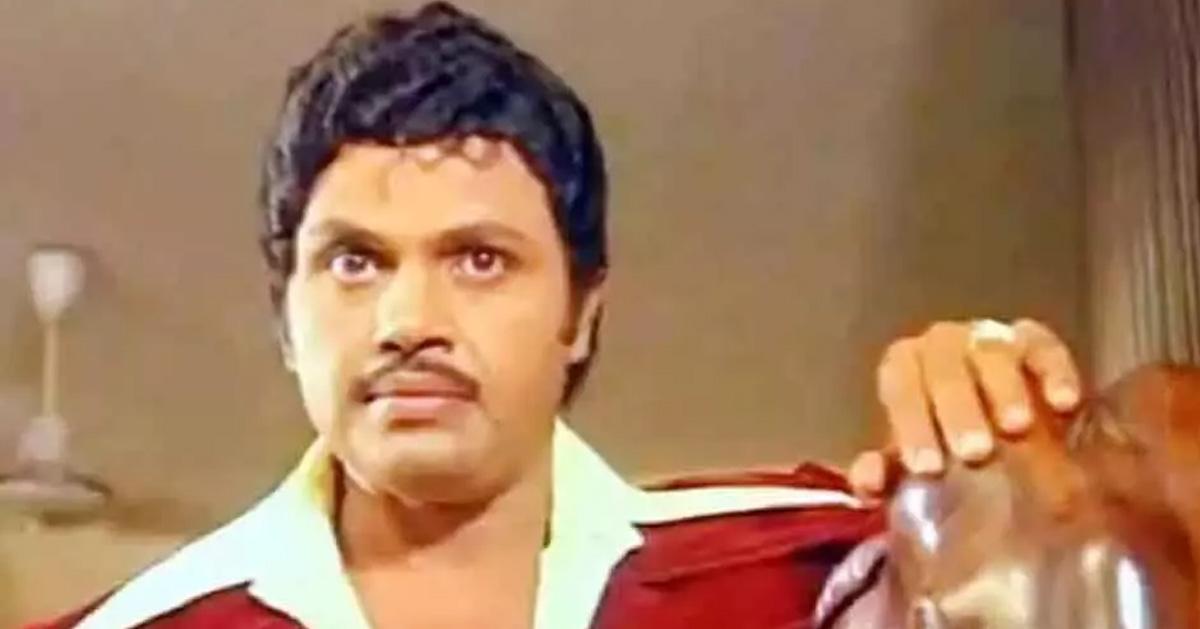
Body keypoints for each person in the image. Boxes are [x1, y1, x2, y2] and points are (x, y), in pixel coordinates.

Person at [32, 3, 1083, 628]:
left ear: (581, 312)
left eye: (479, 259)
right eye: (355, 261)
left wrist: (1033, 463)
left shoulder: (807, 571)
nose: (409, 317)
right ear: (285, 318)